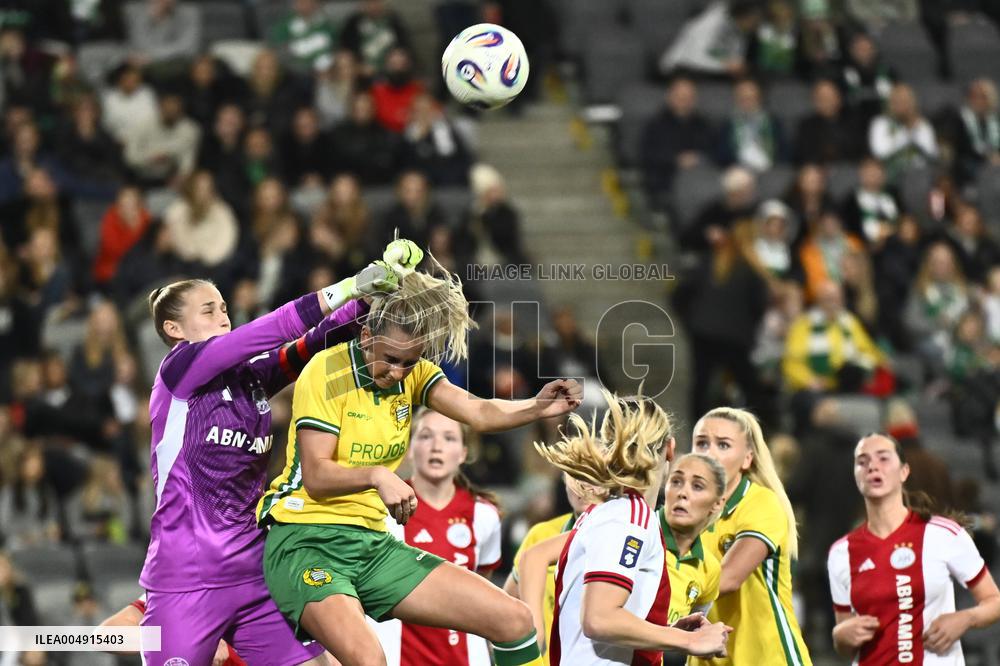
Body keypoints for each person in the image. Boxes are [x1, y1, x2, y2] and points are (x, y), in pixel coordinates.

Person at [257, 256, 582, 666]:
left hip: (372, 545)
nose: (398, 371)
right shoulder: (327, 370)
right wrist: (378, 476)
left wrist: (535, 407)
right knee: (368, 659)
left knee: (514, 620)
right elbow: (318, 476)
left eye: (409, 362)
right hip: (306, 541)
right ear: (366, 334)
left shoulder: (414, 374)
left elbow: (478, 411)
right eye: (390, 358)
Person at [138, 239, 420, 665]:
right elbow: (270, 330)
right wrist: (346, 286)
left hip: (253, 569)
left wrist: (368, 299)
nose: (224, 315)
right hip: (186, 578)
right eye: (208, 309)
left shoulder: (250, 380)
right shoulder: (179, 372)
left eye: (223, 306)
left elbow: (310, 344)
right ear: (174, 330)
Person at [529, 391, 732, 663]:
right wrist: (689, 639)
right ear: (670, 449)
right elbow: (599, 619)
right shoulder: (628, 519)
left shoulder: (613, 514)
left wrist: (664, 632)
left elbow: (602, 629)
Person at [828, 433, 1000, 662]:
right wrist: (839, 635)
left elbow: (994, 601)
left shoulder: (943, 534)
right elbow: (845, 638)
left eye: (883, 458)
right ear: (856, 475)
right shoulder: (841, 553)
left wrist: (966, 618)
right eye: (862, 461)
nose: (872, 467)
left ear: (904, 472)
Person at [371, 407, 503, 665]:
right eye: (425, 436)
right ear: (409, 448)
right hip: (396, 655)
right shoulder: (377, 509)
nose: (436, 446)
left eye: (449, 438)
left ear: (464, 452)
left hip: (465, 657)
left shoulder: (485, 515)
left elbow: (483, 588)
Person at [688, 407, 812, 666]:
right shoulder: (684, 511)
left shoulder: (761, 502)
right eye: (701, 443)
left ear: (747, 458)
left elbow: (729, 577)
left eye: (723, 445)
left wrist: (671, 596)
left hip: (767, 657)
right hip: (708, 658)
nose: (709, 452)